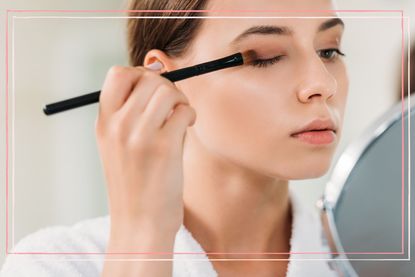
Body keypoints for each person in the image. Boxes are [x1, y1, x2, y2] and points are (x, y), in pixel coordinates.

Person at [0, 0, 348, 276]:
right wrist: (143, 233)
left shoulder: (380, 257)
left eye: (329, 50)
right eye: (265, 58)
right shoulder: (55, 265)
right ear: (164, 79)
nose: (322, 84)